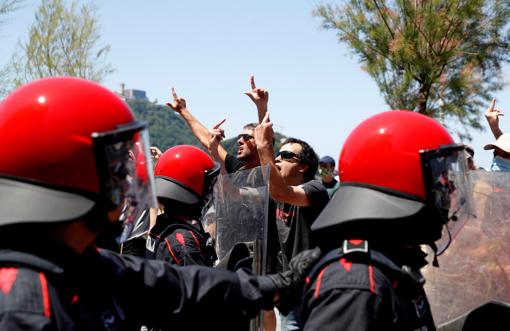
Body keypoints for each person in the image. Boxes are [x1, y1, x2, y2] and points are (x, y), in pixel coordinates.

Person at [0, 77, 320, 330]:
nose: (128, 183)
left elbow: (186, 286)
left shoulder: (87, 266)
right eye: (116, 171)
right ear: (72, 178)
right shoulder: (20, 305)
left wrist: (275, 284)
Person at [300, 110, 474, 330]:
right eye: (440, 181)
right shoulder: (357, 284)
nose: (449, 190)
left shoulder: (391, 259)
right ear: (403, 177)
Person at [255, 113, 329, 330]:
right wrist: (262, 109)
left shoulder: (315, 190)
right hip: (291, 290)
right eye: (276, 154)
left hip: (315, 291)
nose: (277, 158)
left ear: (303, 166)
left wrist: (263, 146)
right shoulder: (275, 193)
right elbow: (267, 181)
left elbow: (282, 191)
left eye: (285, 155)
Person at [167, 75, 268, 174]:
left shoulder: (268, 171)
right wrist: (183, 111)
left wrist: (261, 106)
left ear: (259, 142)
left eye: (246, 137)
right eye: (240, 137)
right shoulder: (236, 168)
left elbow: (266, 140)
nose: (240, 141)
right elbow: (208, 140)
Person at [146, 145, 220, 266]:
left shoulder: (162, 226)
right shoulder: (183, 244)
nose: (208, 193)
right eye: (207, 187)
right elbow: (203, 283)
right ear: (188, 189)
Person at [484, 98, 510, 171]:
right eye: (495, 154)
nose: (498, 159)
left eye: (506, 155)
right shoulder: (484, 179)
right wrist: (494, 127)